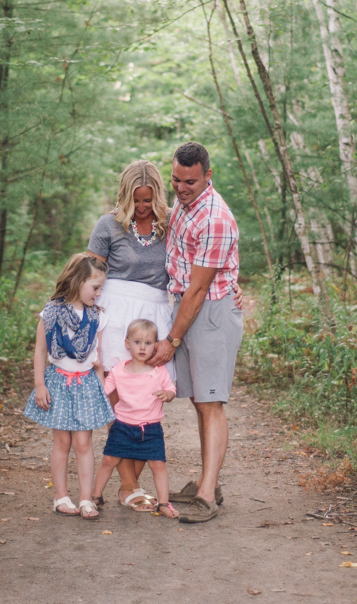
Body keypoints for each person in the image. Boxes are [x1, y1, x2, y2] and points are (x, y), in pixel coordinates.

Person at [87, 159, 244, 512]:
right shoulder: (108, 225)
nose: (142, 207)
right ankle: (129, 485)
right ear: (125, 196)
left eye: (148, 200)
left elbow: (211, 255)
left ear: (157, 195)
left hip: (156, 313)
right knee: (120, 405)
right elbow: (89, 274)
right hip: (115, 317)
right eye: (135, 201)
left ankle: (135, 484)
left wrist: (233, 286)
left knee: (145, 403)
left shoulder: (173, 219)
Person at [150, 142, 242, 525]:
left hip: (210, 313)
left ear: (208, 174)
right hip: (189, 308)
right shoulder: (184, 209)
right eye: (175, 179)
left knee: (211, 401)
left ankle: (207, 494)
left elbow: (199, 289)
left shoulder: (215, 217)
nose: (181, 187)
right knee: (199, 401)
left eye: (190, 181)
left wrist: (171, 340)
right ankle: (209, 481)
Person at [22, 253, 113, 520]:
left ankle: (86, 499)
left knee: (84, 442)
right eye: (95, 287)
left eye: (101, 289)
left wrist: (101, 382)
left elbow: (99, 357)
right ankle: (61, 497)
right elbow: (40, 351)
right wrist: (40, 384)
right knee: (62, 441)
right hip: (58, 382)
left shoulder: (97, 317)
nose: (98, 293)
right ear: (78, 281)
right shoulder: (50, 313)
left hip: (85, 384)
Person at [91, 319, 179, 518]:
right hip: (122, 426)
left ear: (155, 346)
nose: (142, 347)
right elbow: (104, 391)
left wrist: (168, 395)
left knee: (158, 464)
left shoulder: (159, 371)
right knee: (109, 460)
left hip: (151, 428)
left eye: (148, 343)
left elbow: (171, 389)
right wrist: (98, 370)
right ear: (127, 344)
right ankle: (95, 497)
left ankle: (164, 503)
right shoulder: (118, 370)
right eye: (137, 342)